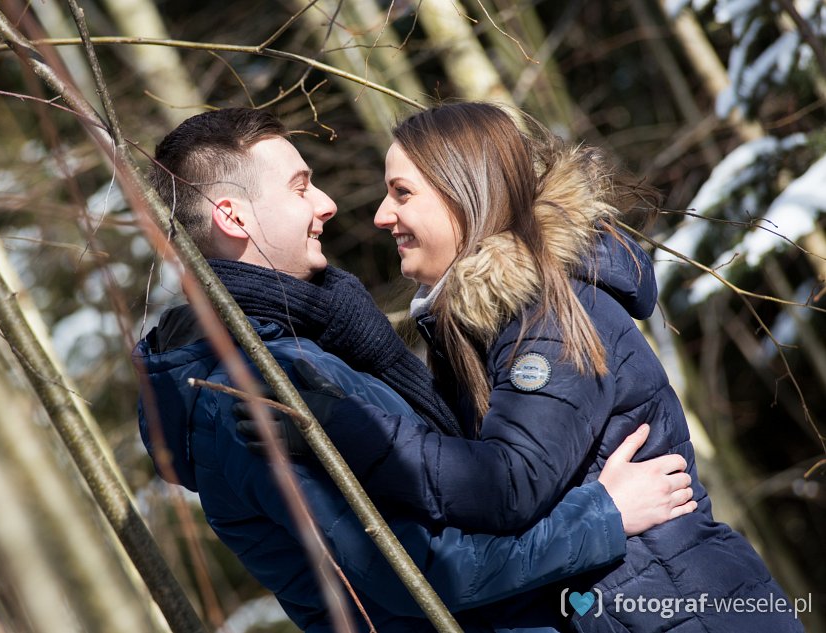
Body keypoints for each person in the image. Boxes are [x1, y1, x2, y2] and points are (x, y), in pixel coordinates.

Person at [241, 102, 803, 632]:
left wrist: (340, 427)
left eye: (402, 193)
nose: (382, 216)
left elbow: (507, 483)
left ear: (465, 194)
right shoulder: (488, 326)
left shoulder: (550, 314)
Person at [134, 107, 696, 632]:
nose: (328, 204)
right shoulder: (255, 390)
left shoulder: (312, 349)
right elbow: (426, 571)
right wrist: (601, 516)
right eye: (300, 187)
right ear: (232, 217)